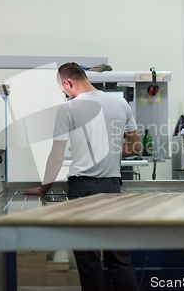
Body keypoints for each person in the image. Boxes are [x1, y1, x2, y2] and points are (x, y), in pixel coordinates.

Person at [23, 62, 141, 291]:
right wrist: (112, 150)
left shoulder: (68, 109)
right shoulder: (120, 102)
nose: (65, 93)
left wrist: (43, 189)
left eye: (63, 89)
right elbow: (135, 147)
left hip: (82, 191)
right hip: (113, 189)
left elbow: (57, 155)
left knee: (89, 260)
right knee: (119, 257)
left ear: (67, 83)